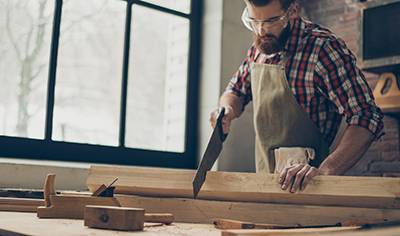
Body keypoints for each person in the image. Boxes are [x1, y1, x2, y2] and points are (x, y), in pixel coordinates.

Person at [209, 0, 383, 193]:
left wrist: (324, 172)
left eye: (271, 21)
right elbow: (235, 91)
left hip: (311, 189)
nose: (260, 31)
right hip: (265, 185)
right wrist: (227, 110)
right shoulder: (259, 49)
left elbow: (366, 116)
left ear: (292, 11)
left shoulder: (324, 48)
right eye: (253, 21)